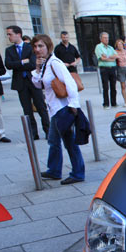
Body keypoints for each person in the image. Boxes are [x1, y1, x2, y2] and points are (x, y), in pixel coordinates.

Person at [31, 34, 85, 185]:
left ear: (48, 46)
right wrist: (37, 67)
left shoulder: (54, 62)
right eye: (35, 47)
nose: (37, 49)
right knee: (53, 141)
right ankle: (54, 170)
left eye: (41, 46)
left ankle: (78, 173)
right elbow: (37, 84)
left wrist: (74, 105)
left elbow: (70, 83)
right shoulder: (45, 64)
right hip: (54, 109)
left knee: (69, 142)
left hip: (63, 108)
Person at [4, 25, 49, 140]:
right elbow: (8, 65)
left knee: (41, 107)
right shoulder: (9, 50)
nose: (8, 36)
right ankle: (33, 133)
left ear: (18, 34)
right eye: (8, 34)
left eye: (10, 34)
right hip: (20, 83)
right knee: (27, 109)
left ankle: (48, 130)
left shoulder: (30, 48)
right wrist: (22, 62)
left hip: (33, 80)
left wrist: (18, 64)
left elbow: (32, 64)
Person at [94, 32, 118, 109]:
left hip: (112, 68)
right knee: (105, 87)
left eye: (107, 37)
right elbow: (102, 58)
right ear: (101, 39)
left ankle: (114, 103)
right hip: (104, 68)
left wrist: (107, 57)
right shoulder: (98, 47)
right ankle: (106, 104)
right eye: (104, 38)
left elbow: (116, 56)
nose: (106, 39)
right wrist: (111, 58)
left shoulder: (111, 47)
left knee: (113, 86)